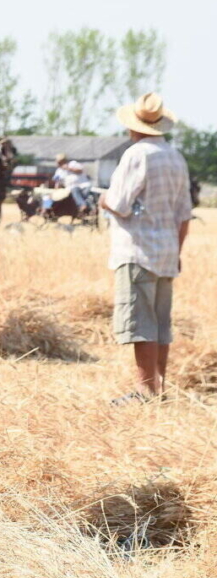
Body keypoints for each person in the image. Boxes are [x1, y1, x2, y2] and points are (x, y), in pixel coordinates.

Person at [99, 92, 192, 404]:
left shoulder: (137, 154)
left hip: (138, 249)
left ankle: (145, 390)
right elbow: (184, 214)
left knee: (141, 323)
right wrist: (176, 252)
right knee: (161, 322)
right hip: (167, 251)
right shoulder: (175, 157)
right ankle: (159, 387)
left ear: (133, 125)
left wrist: (102, 200)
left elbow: (120, 204)